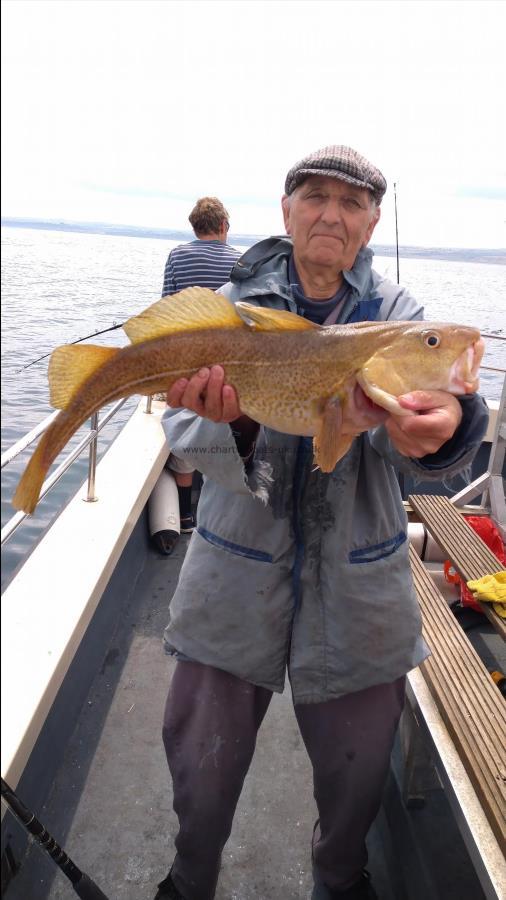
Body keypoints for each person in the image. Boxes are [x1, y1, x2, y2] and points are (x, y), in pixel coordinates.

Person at [154, 146, 489, 900]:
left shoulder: (401, 319)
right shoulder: (233, 306)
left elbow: (441, 442)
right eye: (315, 197)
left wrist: (451, 427)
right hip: (232, 576)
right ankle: (188, 877)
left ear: (372, 223)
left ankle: (340, 881)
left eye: (352, 203)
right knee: (199, 776)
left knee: (354, 783)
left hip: (359, 589)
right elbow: (179, 431)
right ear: (286, 210)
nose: (332, 214)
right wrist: (233, 427)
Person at [155, 198, 241, 553]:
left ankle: (187, 517)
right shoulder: (238, 259)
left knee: (187, 419)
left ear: (195, 227)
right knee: (223, 418)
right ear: (223, 226)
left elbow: (167, 305)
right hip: (228, 361)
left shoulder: (177, 256)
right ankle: (221, 506)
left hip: (186, 359)